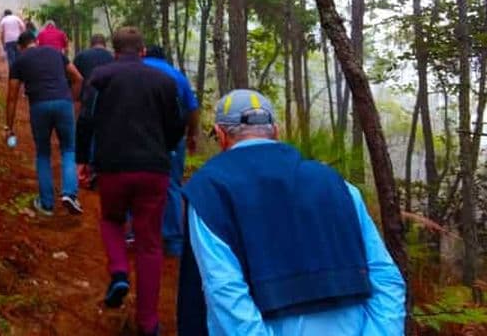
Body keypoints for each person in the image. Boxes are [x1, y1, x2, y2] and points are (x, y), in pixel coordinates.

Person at [177, 88, 406, 336]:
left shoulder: (209, 192)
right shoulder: (338, 186)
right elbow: (386, 277)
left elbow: (225, 292)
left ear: (221, 135)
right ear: (276, 131)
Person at [88, 27, 183, 336]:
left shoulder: (101, 77)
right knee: (149, 244)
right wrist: (162, 148)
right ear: (142, 51)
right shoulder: (165, 81)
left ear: (115, 51)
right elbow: (176, 126)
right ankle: (148, 323)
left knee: (112, 220)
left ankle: (118, 271)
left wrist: (83, 160)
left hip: (113, 166)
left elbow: (87, 119)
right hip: (154, 169)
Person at [4, 30, 84, 216]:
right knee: (69, 150)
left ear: (19, 47)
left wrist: (9, 126)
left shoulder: (19, 62)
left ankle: (47, 204)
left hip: (39, 106)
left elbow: (12, 97)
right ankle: (70, 194)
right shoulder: (56, 53)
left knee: (43, 153)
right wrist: (70, 101)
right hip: (63, 103)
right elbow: (78, 78)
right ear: (37, 42)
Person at [142, 45, 200, 257]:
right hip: (173, 137)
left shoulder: (136, 70)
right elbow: (192, 109)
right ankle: (173, 240)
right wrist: (192, 135)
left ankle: (136, 233)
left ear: (144, 54)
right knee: (172, 184)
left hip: (140, 135)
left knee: (138, 180)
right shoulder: (177, 76)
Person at [72, 34, 114, 188]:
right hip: (107, 105)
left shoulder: (81, 56)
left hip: (87, 102)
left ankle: (81, 172)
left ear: (91, 44)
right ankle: (97, 170)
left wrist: (75, 100)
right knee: (101, 137)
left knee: (83, 135)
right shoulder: (112, 58)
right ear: (104, 44)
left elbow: (73, 78)